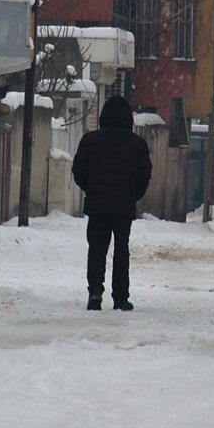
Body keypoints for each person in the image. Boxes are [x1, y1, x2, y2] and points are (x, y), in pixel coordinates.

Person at [72, 95, 152, 311]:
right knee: (121, 251)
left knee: (97, 249)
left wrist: (92, 189)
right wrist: (132, 195)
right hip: (123, 207)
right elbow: (145, 175)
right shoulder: (137, 144)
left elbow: (78, 171)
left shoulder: (90, 141)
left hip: (97, 206)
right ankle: (120, 297)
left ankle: (95, 292)